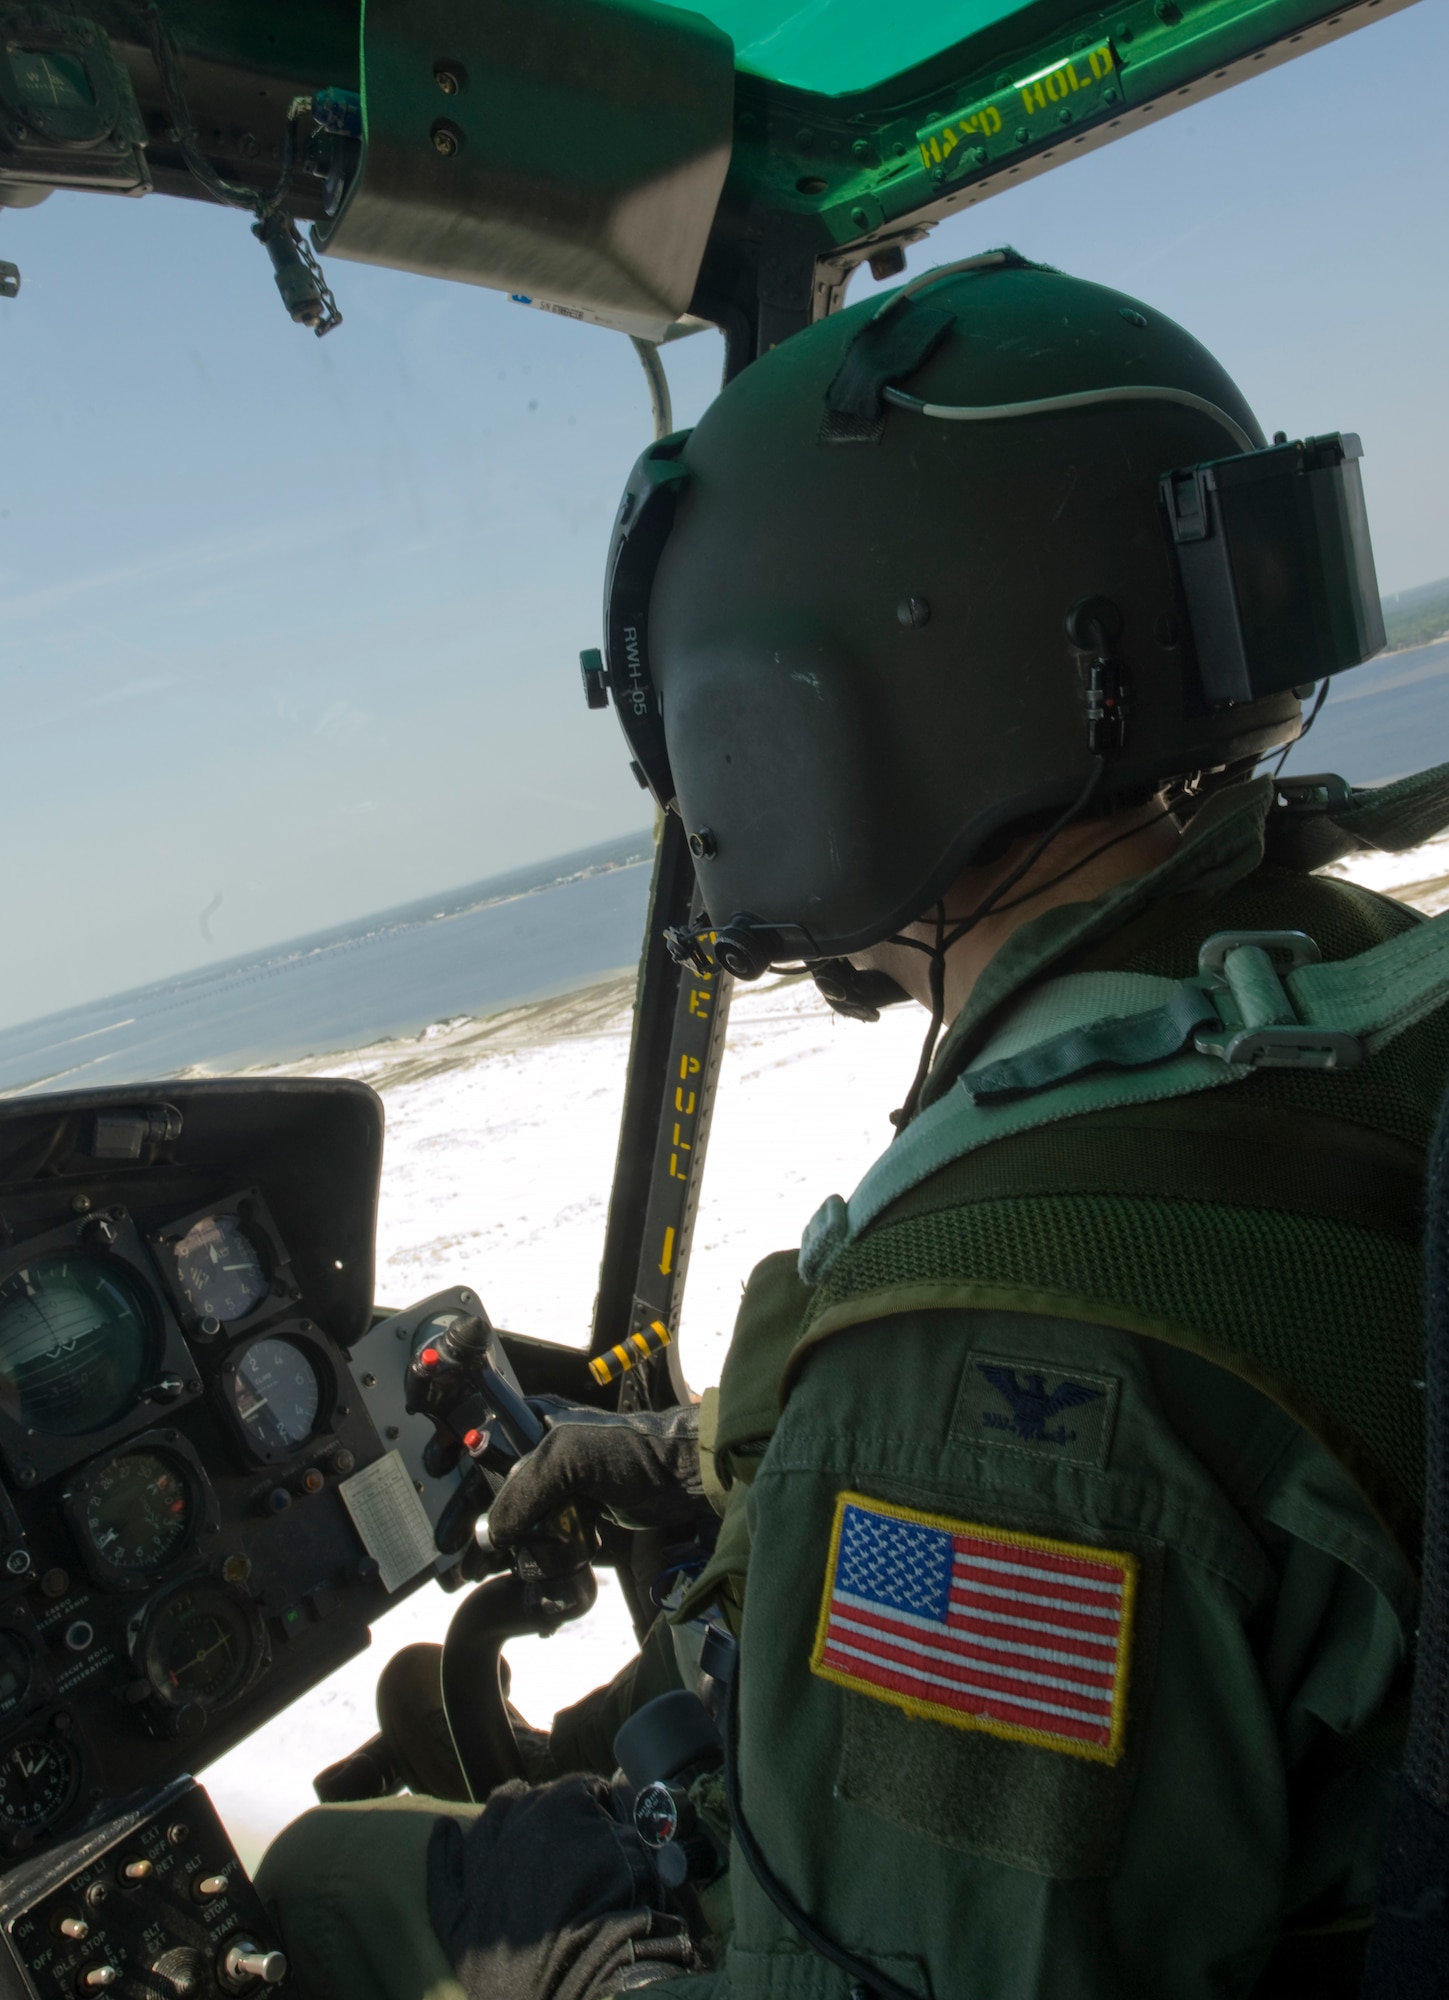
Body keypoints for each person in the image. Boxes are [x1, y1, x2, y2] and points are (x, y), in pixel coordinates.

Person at [257, 253, 1449, 2000]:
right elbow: (1230, 1336)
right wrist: (690, 1454)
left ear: (803, 724)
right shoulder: (1346, 985)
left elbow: (1051, 1430)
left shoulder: (975, 1373)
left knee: (320, 1878)